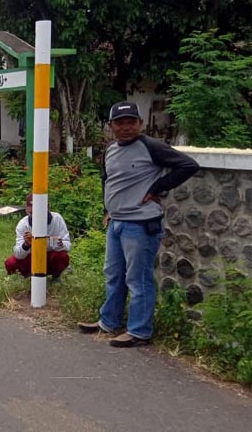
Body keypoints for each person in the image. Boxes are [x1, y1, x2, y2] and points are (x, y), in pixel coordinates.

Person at [78, 101, 199, 348]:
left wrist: (158, 188)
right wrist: (107, 209)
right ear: (111, 126)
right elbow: (107, 180)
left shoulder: (151, 146)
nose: (125, 127)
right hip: (117, 222)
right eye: (119, 123)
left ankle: (139, 331)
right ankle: (108, 322)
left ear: (140, 124)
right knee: (113, 275)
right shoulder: (111, 149)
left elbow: (188, 165)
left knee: (138, 279)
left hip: (141, 224)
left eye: (131, 122)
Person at [4, 193, 71, 279]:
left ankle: (56, 277)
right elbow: (18, 254)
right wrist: (26, 245)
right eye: (32, 212)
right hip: (32, 257)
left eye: (39, 212)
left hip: (49, 257)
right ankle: (27, 277)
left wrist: (59, 244)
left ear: (47, 207)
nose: (36, 216)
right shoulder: (23, 224)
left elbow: (68, 245)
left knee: (62, 257)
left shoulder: (57, 219)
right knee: (10, 263)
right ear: (27, 209)